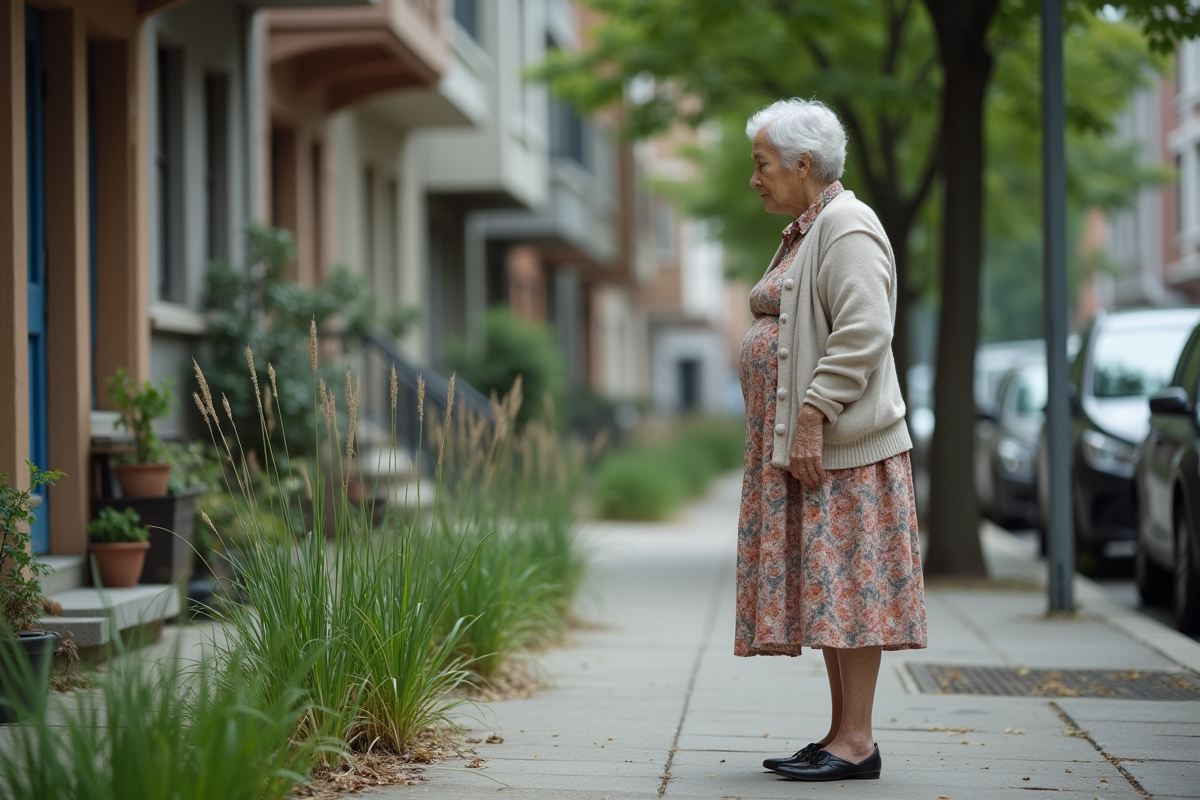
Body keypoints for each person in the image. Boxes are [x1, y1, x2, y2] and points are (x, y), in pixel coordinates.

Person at [737, 98, 928, 783]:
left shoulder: (847, 225)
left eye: (761, 165)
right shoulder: (807, 229)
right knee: (831, 596)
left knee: (850, 595)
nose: (753, 178)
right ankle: (841, 733)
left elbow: (864, 331)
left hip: (847, 453)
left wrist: (813, 413)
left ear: (803, 165)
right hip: (813, 454)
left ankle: (858, 743)